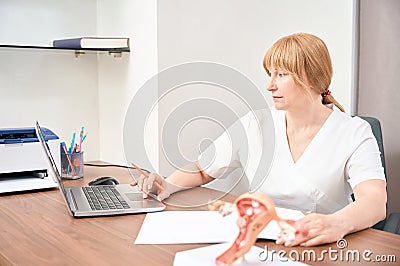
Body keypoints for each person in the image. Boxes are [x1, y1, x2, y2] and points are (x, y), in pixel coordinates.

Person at [132, 33, 387, 247]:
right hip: (261, 242)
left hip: (320, 244)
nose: (270, 85)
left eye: (281, 75)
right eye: (270, 74)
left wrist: (336, 224)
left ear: (310, 77)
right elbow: (202, 169)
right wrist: (167, 185)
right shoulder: (254, 123)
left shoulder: (354, 131)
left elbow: (374, 201)